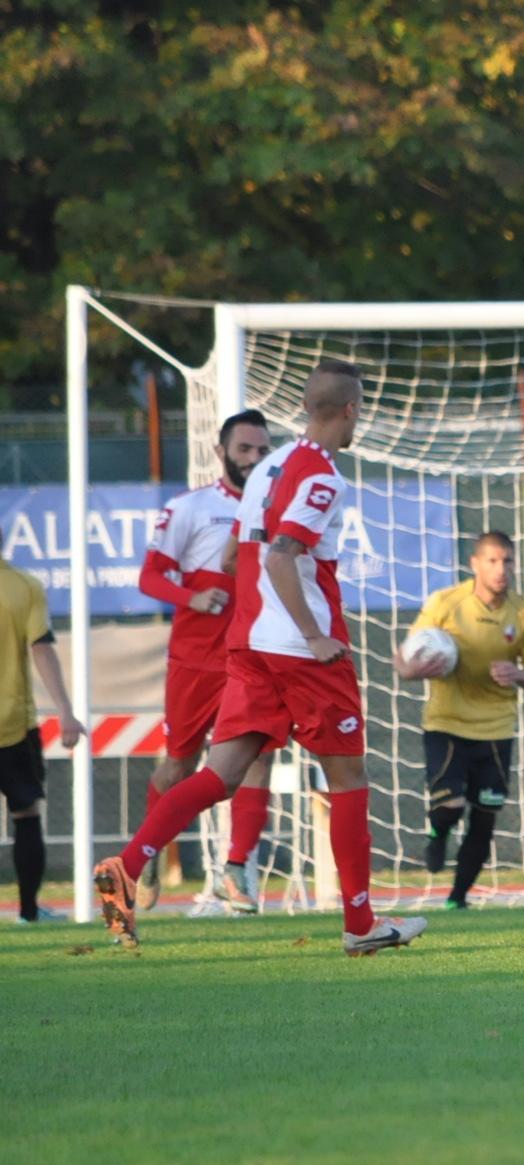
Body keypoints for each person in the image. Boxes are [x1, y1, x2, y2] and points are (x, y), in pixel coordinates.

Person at [94, 361, 428, 955]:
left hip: (246, 647)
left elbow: (232, 558)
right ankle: (360, 925)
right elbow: (280, 555)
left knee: (218, 776)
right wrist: (314, 633)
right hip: (302, 653)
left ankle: (128, 863)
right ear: (349, 411)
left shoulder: (267, 468)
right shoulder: (323, 476)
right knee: (348, 779)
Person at [134, 410, 275, 913]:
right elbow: (149, 578)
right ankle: (148, 852)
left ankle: (237, 868)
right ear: (221, 453)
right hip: (196, 661)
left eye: (262, 450)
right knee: (179, 765)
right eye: (245, 450)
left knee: (259, 757)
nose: (254, 459)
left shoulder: (277, 508)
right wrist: (191, 598)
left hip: (254, 659)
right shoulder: (191, 508)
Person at [394, 531, 524, 910]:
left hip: (496, 729)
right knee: (450, 805)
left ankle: (457, 900)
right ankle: (437, 832)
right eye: (492, 561)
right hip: (446, 723)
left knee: (485, 818)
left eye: (507, 560)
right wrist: (411, 671)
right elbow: (405, 655)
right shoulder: (446, 603)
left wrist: (517, 674)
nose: (501, 569)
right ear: (474, 564)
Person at [1, 554, 85, 923]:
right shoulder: (23, 586)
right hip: (12, 723)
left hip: (14, 723)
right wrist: (65, 710)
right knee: (26, 813)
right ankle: (30, 913)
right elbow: (41, 647)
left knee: (27, 813)